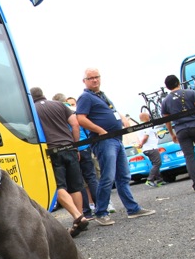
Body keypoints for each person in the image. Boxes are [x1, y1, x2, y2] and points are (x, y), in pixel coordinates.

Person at [75, 68, 156, 225]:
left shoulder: (102, 96)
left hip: (116, 139)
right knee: (108, 177)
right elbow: (80, 119)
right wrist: (101, 131)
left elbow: (112, 112)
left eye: (96, 77)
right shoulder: (85, 97)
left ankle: (132, 209)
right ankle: (101, 212)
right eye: (90, 78)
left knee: (123, 176)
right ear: (84, 81)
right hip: (105, 141)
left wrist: (123, 119)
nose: (94, 80)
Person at [31, 87, 89, 236]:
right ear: (43, 94)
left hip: (53, 151)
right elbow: (75, 124)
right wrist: (75, 145)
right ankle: (80, 217)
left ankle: (77, 217)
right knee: (76, 186)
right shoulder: (59, 105)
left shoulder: (32, 110)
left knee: (59, 186)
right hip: (69, 147)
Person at [136, 112, 165, 186]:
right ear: (145, 117)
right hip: (151, 147)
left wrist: (140, 144)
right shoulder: (147, 126)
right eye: (148, 116)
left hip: (146, 149)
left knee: (155, 164)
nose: (149, 117)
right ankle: (150, 179)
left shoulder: (139, 127)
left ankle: (159, 180)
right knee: (158, 163)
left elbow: (137, 138)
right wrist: (142, 144)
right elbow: (146, 137)